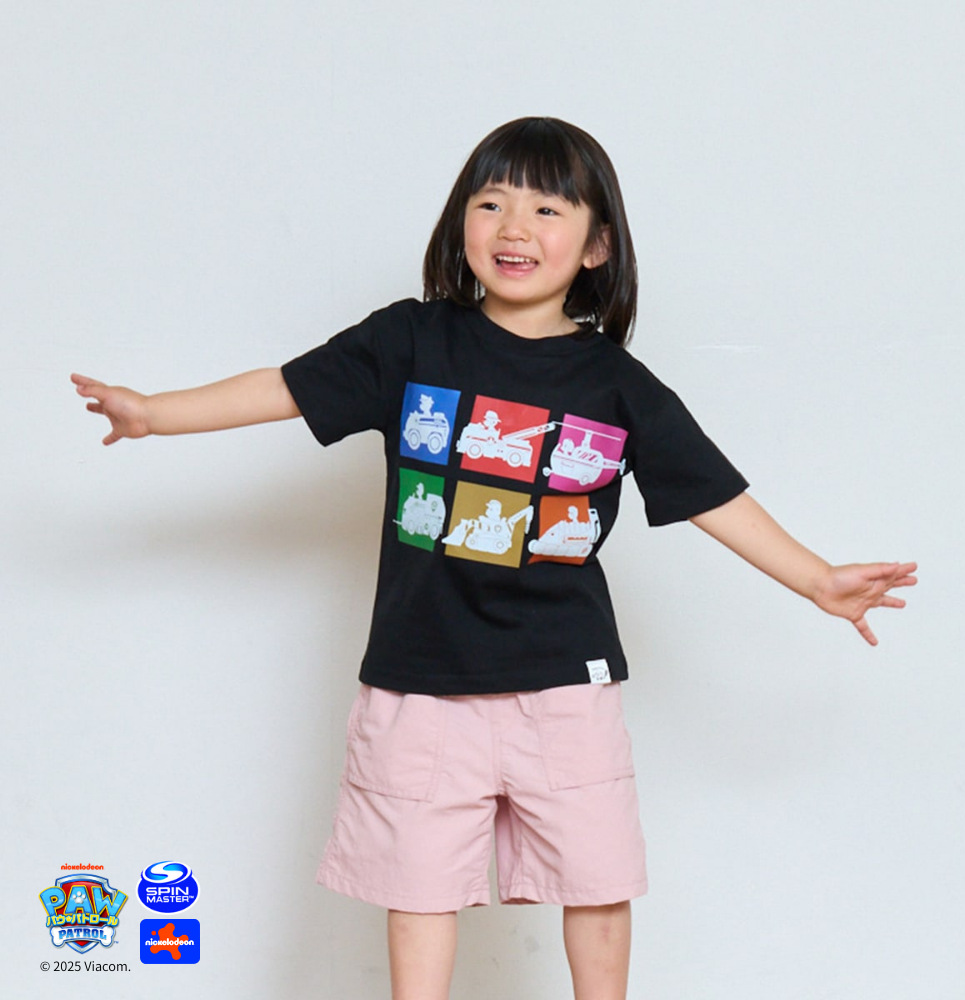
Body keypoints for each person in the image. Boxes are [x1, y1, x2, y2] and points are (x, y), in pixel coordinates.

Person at [72, 117, 916, 1000]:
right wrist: (154, 412)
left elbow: (709, 492)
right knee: (417, 885)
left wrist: (817, 579)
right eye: (492, 203)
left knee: (597, 877)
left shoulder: (616, 383)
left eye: (547, 209)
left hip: (564, 683)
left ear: (597, 245)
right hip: (419, 680)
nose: (515, 227)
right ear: (460, 222)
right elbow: (287, 387)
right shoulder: (409, 341)